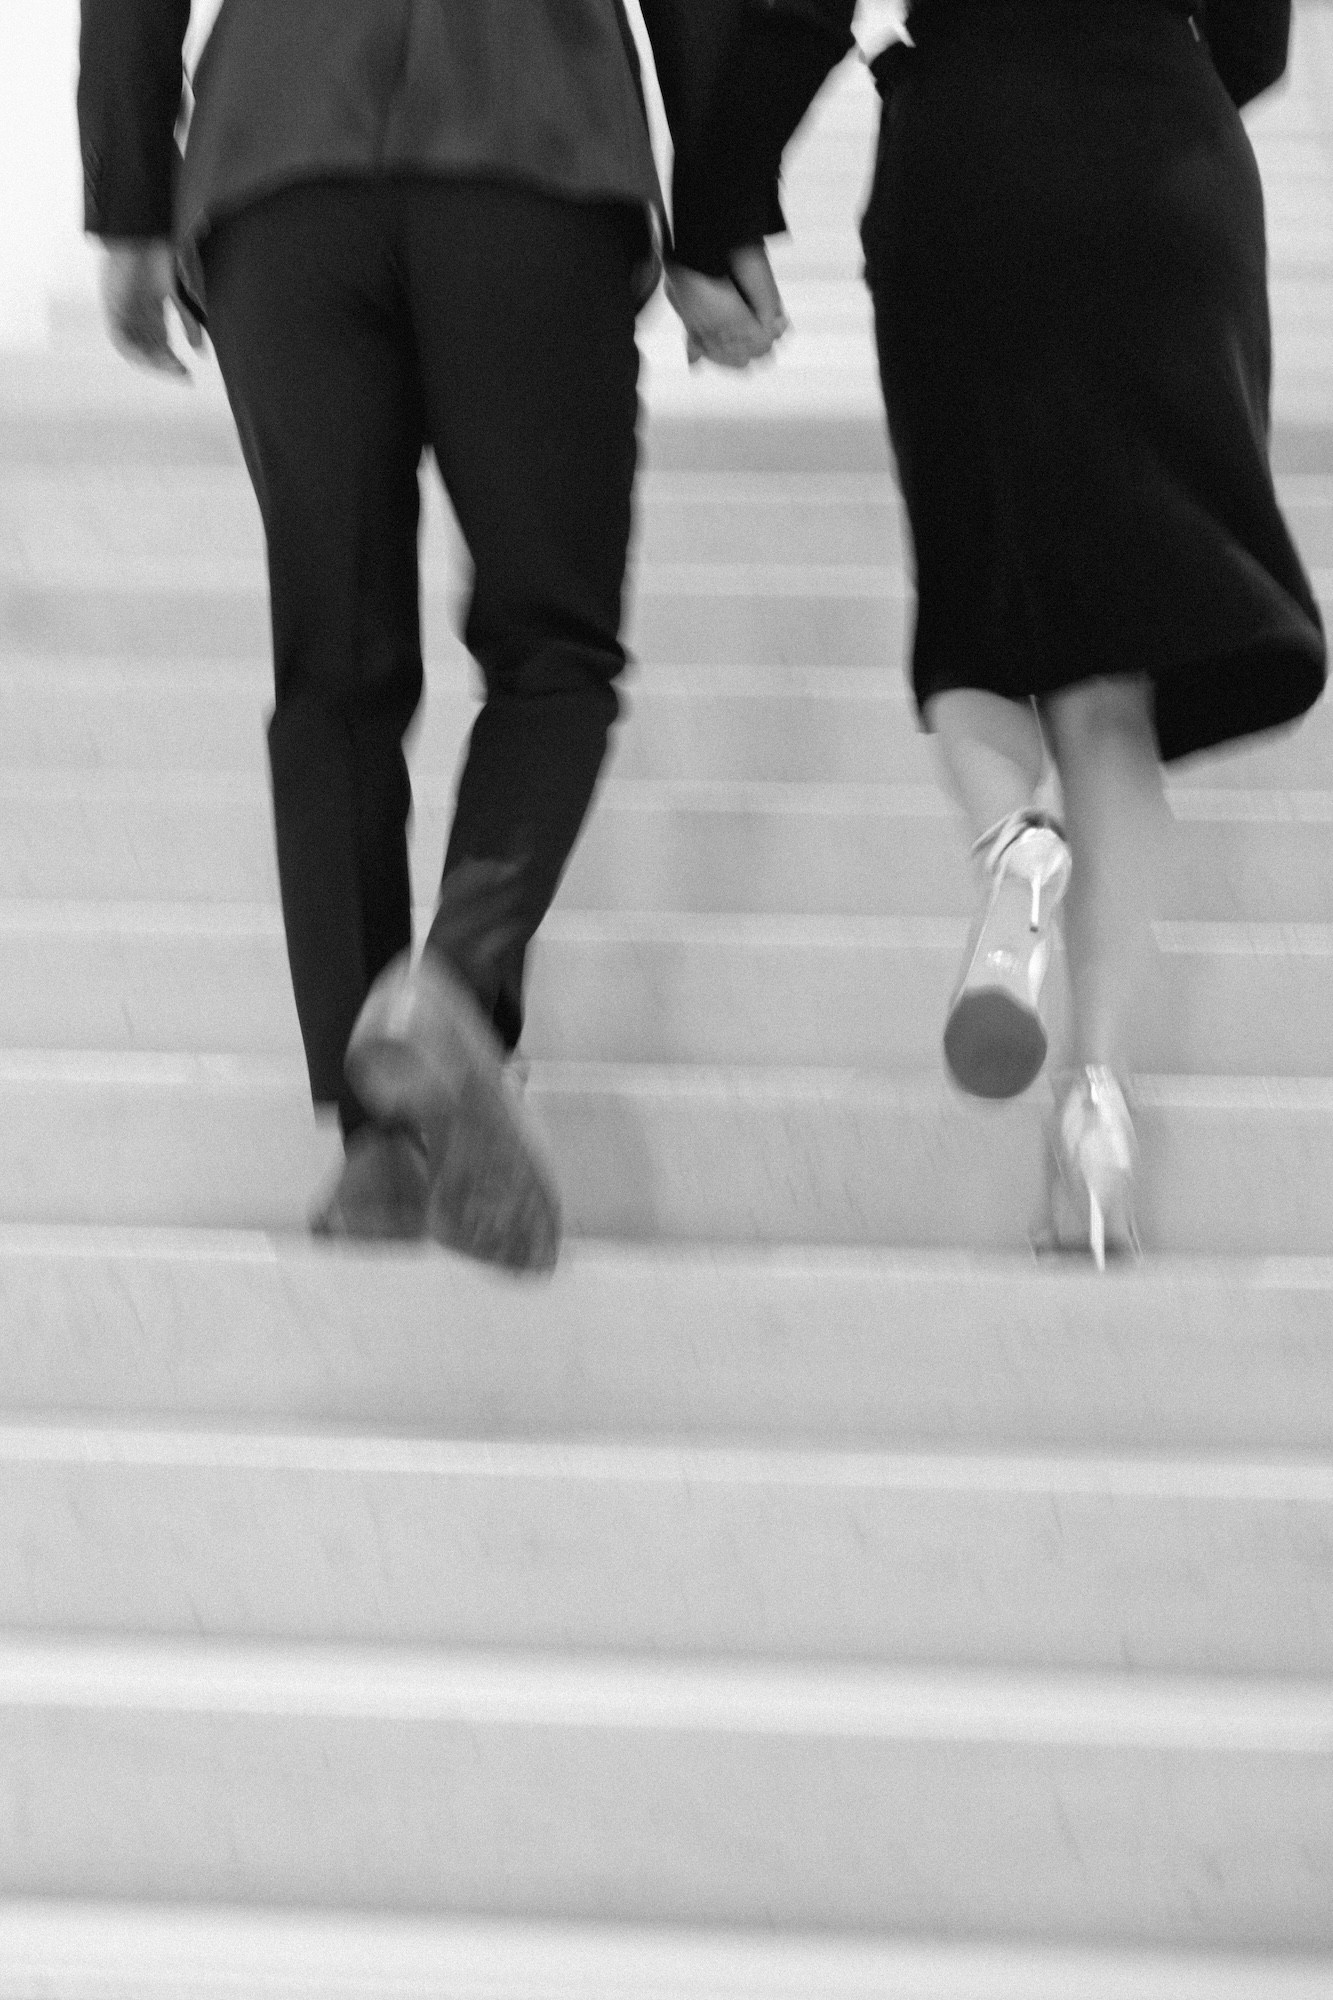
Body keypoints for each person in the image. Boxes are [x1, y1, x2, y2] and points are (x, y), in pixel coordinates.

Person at [77, 0, 852, 1271]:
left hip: (281, 160)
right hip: (534, 150)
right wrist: (719, 217)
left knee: (332, 674)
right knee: (555, 654)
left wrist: (127, 199)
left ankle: (378, 1149)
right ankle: (450, 980)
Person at [852, 0, 1325, 1264]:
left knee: (973, 606)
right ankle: (1097, 1105)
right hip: (1159, 150)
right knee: (1110, 675)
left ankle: (1012, 844)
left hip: (964, 148)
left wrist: (730, 190)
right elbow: (1257, 41)